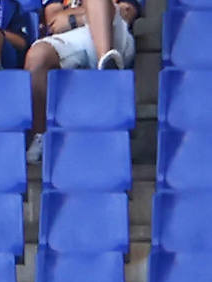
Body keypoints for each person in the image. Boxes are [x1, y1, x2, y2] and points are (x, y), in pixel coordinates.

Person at [24, 0, 140, 163]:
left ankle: (107, 67)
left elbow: (126, 12)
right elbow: (54, 21)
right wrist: (90, 14)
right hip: (74, 37)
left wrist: (75, 17)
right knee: (37, 56)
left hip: (113, 32)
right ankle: (42, 136)